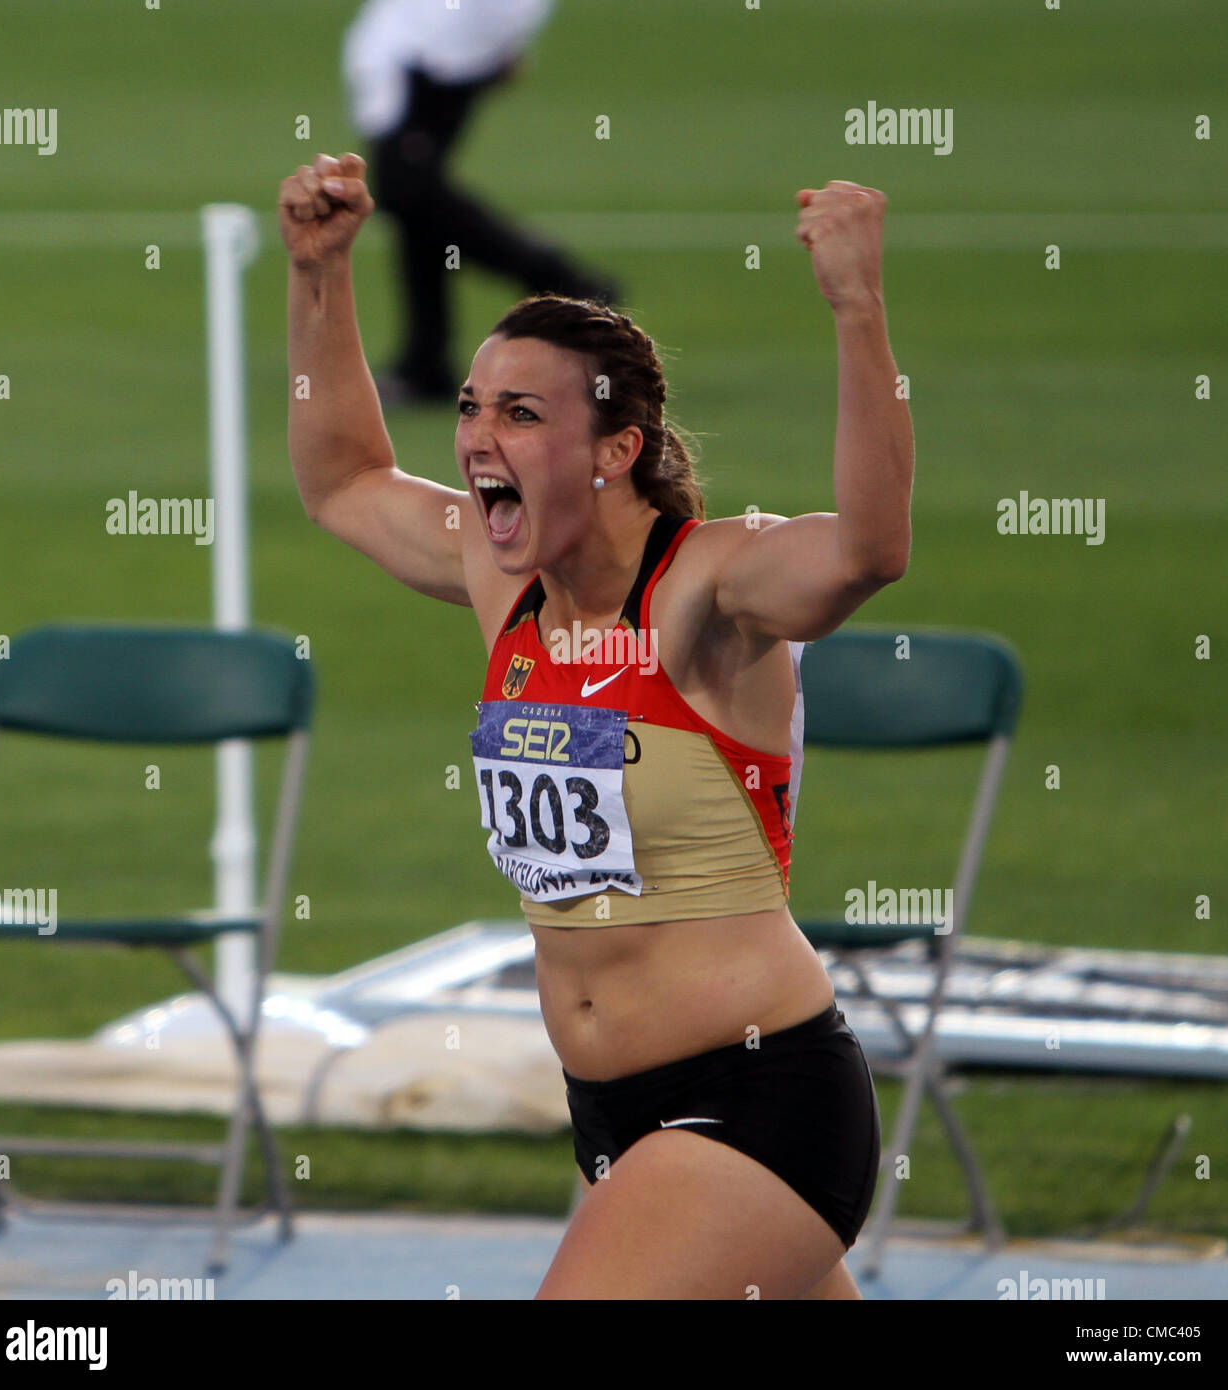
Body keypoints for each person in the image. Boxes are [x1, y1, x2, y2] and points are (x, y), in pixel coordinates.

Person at [280, 151, 913, 1299]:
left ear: (616, 449)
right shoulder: (500, 579)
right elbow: (341, 481)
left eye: (520, 414)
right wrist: (319, 276)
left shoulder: (708, 591)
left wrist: (855, 310)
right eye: (471, 407)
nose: (476, 437)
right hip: (613, 1113)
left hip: (755, 1100)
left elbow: (868, 550)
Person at [342, 0, 620, 407]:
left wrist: (501, 40)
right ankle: (426, 362)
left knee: (409, 191)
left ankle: (562, 281)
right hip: (427, 50)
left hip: (433, 57)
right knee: (416, 204)